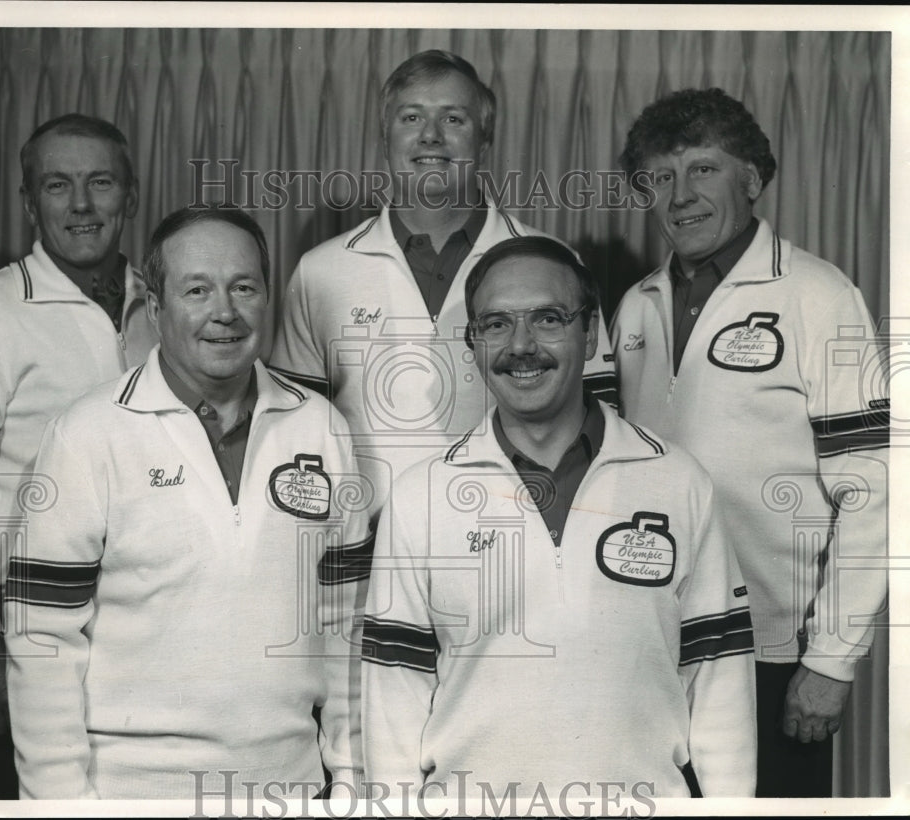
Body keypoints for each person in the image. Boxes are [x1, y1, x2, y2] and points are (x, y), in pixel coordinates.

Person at [361, 236, 757, 802]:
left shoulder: (677, 481)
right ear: (473, 343)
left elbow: (720, 683)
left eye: (547, 318)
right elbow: (392, 698)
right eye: (495, 324)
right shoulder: (421, 495)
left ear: (589, 332)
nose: (521, 346)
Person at [3, 207, 371, 799]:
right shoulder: (88, 433)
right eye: (196, 289)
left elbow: (346, 626)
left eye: (243, 287)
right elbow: (41, 639)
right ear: (155, 307)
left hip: (290, 788)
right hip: (131, 794)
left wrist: (352, 781)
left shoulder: (319, 426)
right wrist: (59, 807)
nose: (224, 311)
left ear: (267, 297)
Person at [611, 88, 889, 798]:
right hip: (651, 645)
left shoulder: (817, 294)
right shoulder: (636, 305)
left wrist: (831, 661)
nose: (680, 195)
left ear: (753, 180)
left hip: (773, 652)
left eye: (703, 169)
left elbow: (877, 489)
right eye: (661, 177)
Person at [270, 50, 616, 517]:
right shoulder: (319, 270)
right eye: (411, 116)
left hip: (512, 545)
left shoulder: (553, 263)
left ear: (484, 139)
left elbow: (600, 420)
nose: (430, 135)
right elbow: (293, 430)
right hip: (368, 557)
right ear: (384, 136)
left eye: (453, 118)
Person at [0, 113, 155, 797]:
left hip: (148, 625)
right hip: (33, 634)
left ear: (131, 194)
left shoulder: (167, 302)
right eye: (59, 186)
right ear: (30, 201)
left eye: (100, 183)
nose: (82, 206)